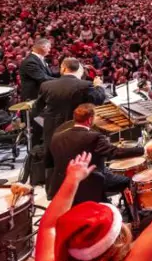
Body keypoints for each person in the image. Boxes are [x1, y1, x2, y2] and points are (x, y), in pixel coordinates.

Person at [49, 103, 152, 203]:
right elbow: (115, 152)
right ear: (90, 119)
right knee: (128, 181)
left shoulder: (56, 137)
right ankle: (132, 217)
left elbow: (49, 162)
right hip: (90, 183)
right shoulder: (94, 137)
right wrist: (143, 149)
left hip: (61, 183)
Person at [35, 58, 108, 194]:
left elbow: (37, 109)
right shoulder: (85, 85)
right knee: (79, 160)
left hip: (53, 131)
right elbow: (99, 99)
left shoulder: (46, 85)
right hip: (77, 131)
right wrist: (98, 85)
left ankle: (53, 193)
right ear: (79, 70)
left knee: (55, 163)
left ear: (62, 69)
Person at [19, 37, 56, 102]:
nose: (49, 50)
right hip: (32, 98)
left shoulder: (40, 58)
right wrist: (62, 81)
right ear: (42, 47)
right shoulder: (30, 62)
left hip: (41, 95)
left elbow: (50, 74)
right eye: (49, 47)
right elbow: (42, 78)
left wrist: (65, 74)